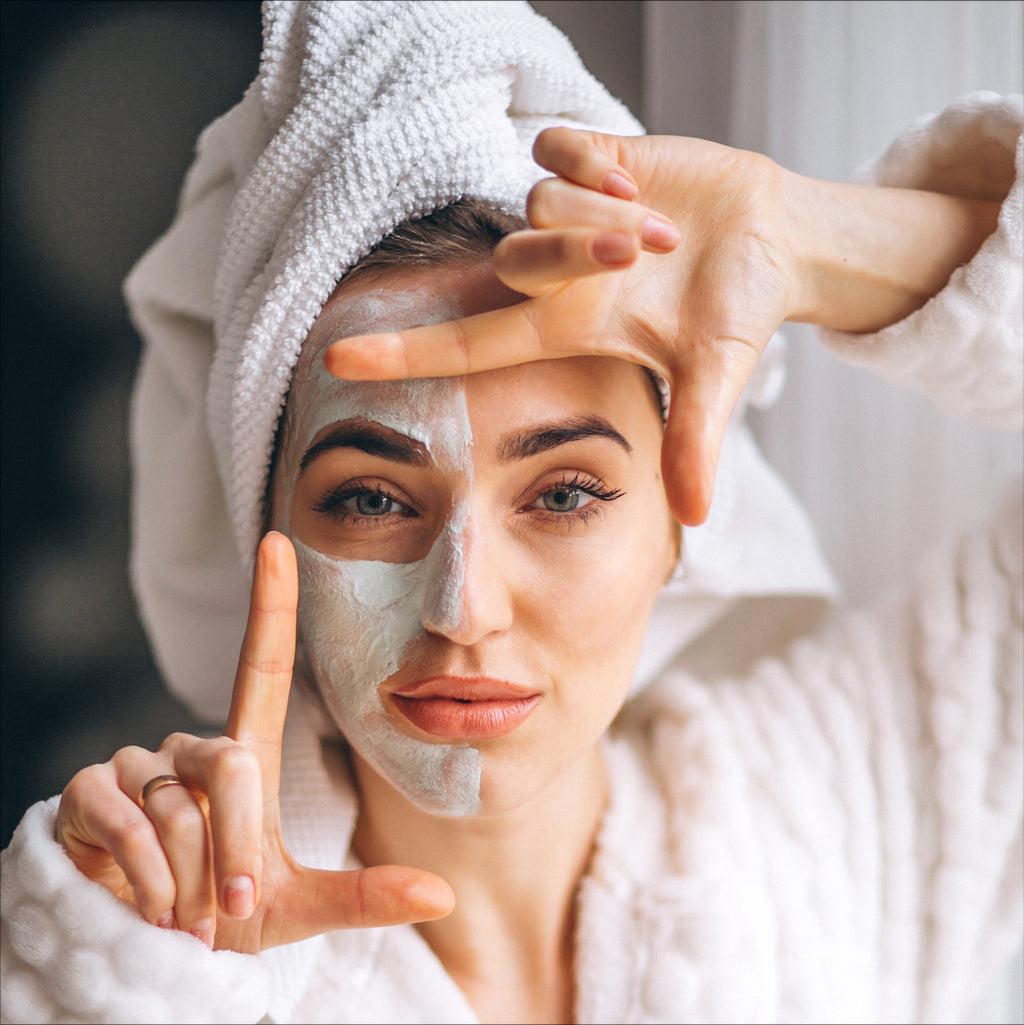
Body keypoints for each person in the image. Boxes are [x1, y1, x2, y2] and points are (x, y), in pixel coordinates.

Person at [1, 2, 1020, 1022]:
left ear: (683, 520)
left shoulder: (853, 808)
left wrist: (798, 239)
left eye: (564, 493)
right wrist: (113, 987)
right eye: (371, 498)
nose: (465, 607)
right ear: (265, 531)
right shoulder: (175, 958)